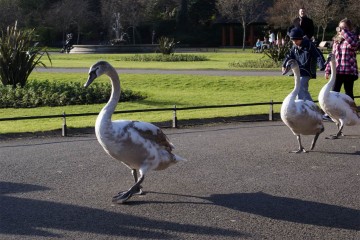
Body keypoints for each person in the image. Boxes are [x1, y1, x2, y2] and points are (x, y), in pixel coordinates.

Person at [282, 27, 325, 101]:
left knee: (300, 86)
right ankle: (302, 105)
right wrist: (284, 64)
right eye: (293, 41)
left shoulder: (309, 45)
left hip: (307, 71)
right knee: (299, 88)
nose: (295, 42)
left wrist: (322, 65)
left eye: (296, 40)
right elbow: (289, 56)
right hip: (298, 71)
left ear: (301, 38)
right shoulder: (294, 47)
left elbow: (318, 55)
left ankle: (308, 106)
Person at [325, 18, 358, 100]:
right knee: (334, 93)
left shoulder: (352, 38)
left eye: (344, 27)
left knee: (349, 94)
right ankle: (334, 111)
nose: (341, 29)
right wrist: (327, 70)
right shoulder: (336, 41)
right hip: (337, 71)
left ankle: (352, 111)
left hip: (349, 72)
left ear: (349, 29)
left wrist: (344, 32)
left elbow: (354, 44)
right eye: (340, 27)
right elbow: (332, 56)